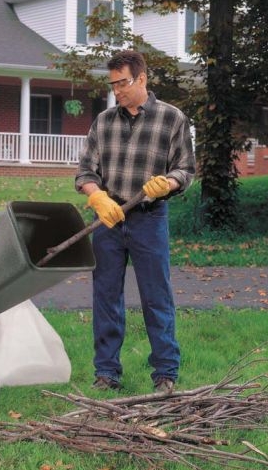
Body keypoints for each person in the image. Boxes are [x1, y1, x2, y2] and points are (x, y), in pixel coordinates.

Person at [75, 49, 196, 393]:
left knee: (156, 296)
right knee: (106, 297)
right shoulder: (104, 122)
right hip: (108, 221)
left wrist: (167, 184)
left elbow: (186, 169)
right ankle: (107, 373)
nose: (117, 91)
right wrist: (96, 196)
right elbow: (85, 171)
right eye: (112, 85)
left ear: (142, 78)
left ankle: (165, 375)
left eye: (123, 83)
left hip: (148, 219)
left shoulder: (172, 119)